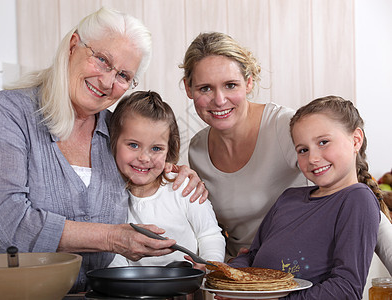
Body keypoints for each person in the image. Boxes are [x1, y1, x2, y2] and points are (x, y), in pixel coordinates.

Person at [0, 7, 206, 292]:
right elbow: (10, 221)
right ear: (74, 45)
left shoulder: (116, 132)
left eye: (123, 75)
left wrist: (173, 174)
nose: (108, 81)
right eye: (102, 60)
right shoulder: (7, 114)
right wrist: (112, 239)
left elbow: (143, 171)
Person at [225, 96, 382, 299]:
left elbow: (346, 289)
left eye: (323, 142)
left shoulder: (357, 200)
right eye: (303, 150)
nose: (313, 158)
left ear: (356, 140)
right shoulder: (289, 198)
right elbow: (252, 256)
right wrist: (231, 276)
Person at [180, 32, 307, 260]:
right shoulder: (197, 149)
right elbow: (212, 229)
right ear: (188, 89)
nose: (219, 100)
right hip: (242, 275)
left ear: (248, 83)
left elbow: (347, 193)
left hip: (299, 267)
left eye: (230, 85)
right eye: (205, 88)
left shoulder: (285, 126)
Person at [107, 90, 225, 271]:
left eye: (156, 148)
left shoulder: (182, 187)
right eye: (133, 145)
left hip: (187, 288)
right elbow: (112, 253)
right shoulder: (107, 196)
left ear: (169, 151)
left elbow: (209, 234)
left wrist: (208, 266)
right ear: (113, 142)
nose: (144, 158)